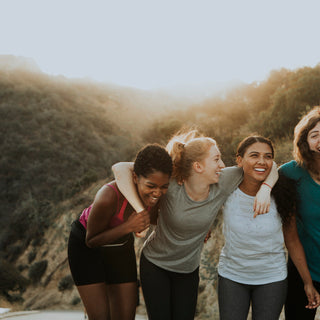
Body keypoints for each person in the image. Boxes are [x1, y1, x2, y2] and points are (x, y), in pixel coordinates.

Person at [112, 130, 278, 320]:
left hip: (188, 270)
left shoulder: (223, 181)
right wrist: (141, 211)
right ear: (198, 166)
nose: (222, 165)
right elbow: (120, 168)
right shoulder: (172, 183)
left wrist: (266, 189)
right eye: (216, 159)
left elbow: (268, 166)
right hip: (155, 265)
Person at [217, 135, 320, 320]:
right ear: (239, 160)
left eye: (268, 156)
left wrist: (307, 282)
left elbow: (292, 240)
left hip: (271, 278)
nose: (262, 162)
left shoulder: (283, 193)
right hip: (232, 275)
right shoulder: (227, 188)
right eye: (254, 155)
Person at [67, 144, 172, 320]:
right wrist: (128, 227)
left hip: (120, 247)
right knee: (100, 317)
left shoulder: (157, 196)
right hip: (86, 249)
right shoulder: (108, 196)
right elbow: (91, 240)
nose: (157, 192)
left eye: (163, 187)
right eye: (151, 185)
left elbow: (159, 219)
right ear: (135, 178)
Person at [280, 106, 320, 320]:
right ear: (305, 141)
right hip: (302, 268)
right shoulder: (291, 172)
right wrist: (307, 282)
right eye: (315, 135)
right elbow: (291, 235)